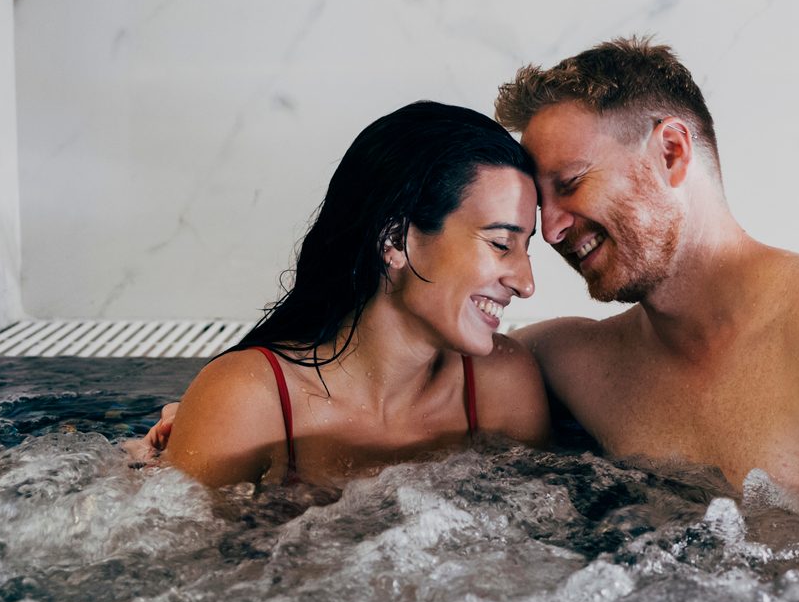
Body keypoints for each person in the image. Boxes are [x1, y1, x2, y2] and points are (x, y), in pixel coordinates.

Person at [494, 38, 799, 520]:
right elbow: (432, 368)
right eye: (540, 205)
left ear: (671, 152)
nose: (551, 228)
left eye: (571, 184)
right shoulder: (577, 364)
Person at [149, 102, 549, 488]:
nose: (525, 283)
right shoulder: (248, 400)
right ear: (395, 240)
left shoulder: (502, 385)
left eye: (525, 247)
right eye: (500, 243)